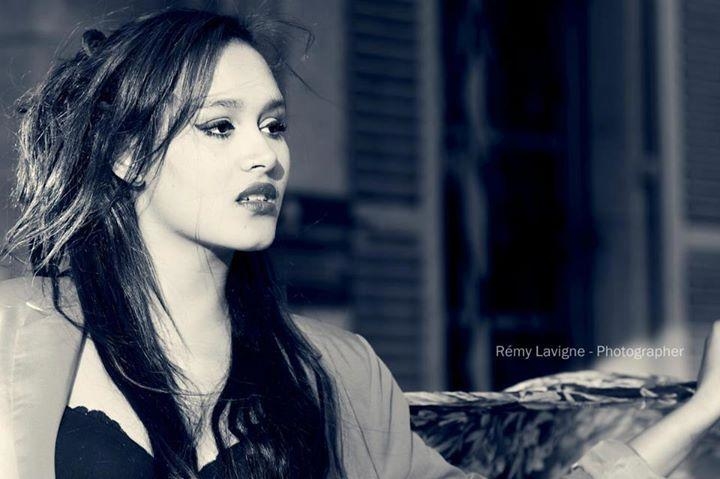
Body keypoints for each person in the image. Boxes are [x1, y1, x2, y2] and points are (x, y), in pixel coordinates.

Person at [0, 8, 718, 479]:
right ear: (126, 154)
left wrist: (701, 409)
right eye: (220, 126)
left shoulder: (336, 371)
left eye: (274, 126)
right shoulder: (14, 333)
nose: (266, 155)